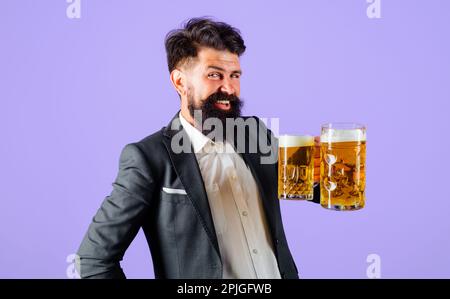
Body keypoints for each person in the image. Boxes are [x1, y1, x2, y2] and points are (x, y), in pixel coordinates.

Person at [76, 17, 320, 279]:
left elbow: (302, 188)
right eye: (214, 75)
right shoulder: (149, 158)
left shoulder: (255, 132)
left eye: (234, 75)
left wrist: (322, 175)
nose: (229, 88)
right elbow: (93, 259)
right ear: (180, 82)